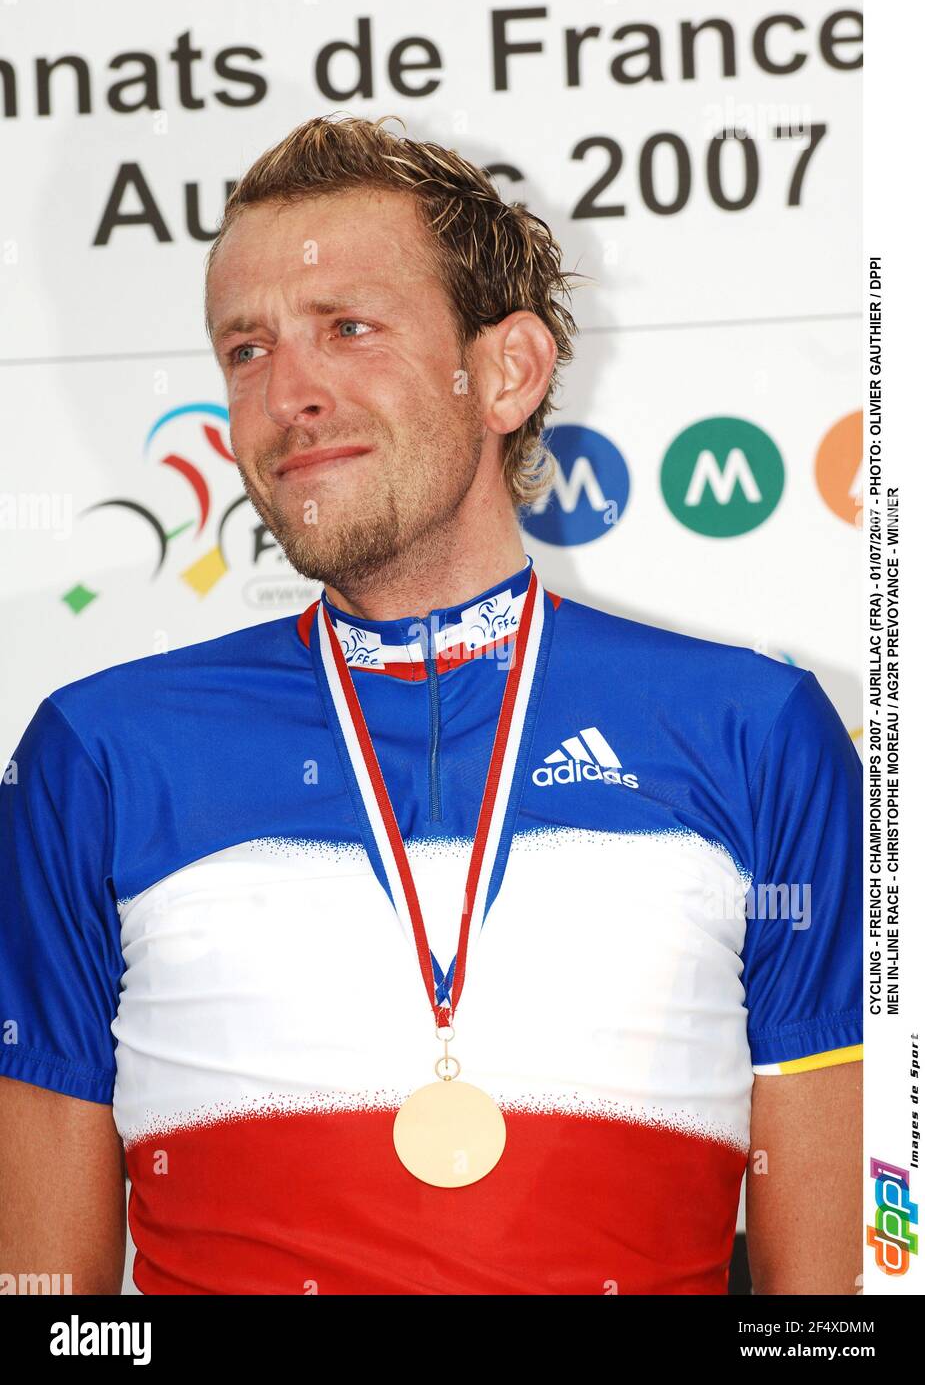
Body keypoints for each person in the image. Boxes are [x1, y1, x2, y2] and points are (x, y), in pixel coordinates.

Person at [0, 114, 861, 1296]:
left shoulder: (757, 730)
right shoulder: (96, 750)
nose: (286, 394)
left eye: (346, 329)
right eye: (245, 350)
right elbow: (49, 1304)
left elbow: (828, 1302)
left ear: (504, 371)